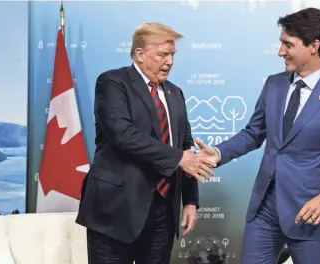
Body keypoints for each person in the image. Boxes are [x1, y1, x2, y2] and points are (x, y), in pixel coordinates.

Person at [196, 7, 320, 264]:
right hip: (264, 209)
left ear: (314, 46)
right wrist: (219, 153)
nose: (280, 51)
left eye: (288, 44)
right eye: (280, 43)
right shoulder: (274, 84)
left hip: (310, 213)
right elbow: (253, 133)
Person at [76, 23, 216, 264]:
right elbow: (122, 134)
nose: (170, 61)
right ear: (140, 55)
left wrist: (190, 200)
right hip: (115, 209)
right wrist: (179, 159)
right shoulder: (112, 82)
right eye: (163, 54)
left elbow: (186, 148)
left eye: (172, 55)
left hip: (162, 213)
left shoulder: (175, 93)